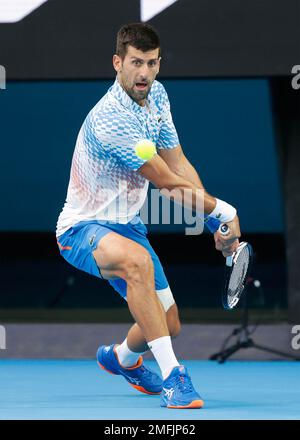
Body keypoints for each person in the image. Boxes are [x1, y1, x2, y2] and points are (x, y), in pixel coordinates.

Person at [56, 23, 241, 409]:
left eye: (152, 63)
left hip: (128, 227)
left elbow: (178, 163)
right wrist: (225, 211)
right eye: (136, 63)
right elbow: (165, 183)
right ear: (117, 63)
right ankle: (175, 377)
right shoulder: (112, 119)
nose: (144, 73)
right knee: (137, 263)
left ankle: (122, 358)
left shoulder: (157, 96)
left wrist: (212, 222)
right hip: (81, 231)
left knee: (167, 324)